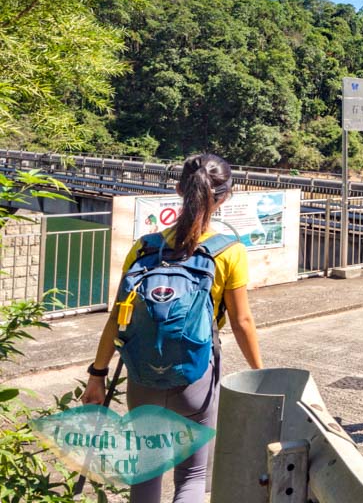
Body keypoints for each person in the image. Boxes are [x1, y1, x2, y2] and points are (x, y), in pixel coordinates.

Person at [82, 153, 263, 503]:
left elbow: (117, 317)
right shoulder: (229, 251)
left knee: (146, 474)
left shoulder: (145, 247)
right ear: (226, 196)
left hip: (143, 379)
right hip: (195, 378)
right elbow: (241, 322)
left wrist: (97, 374)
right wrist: (261, 374)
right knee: (192, 478)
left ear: (180, 189)